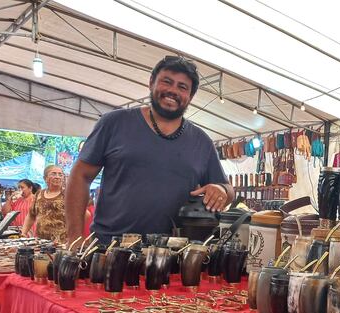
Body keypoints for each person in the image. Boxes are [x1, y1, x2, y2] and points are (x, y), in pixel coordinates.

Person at [66, 55, 234, 244]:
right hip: (111, 250)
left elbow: (228, 191)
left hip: (173, 255)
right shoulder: (114, 123)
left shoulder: (201, 142)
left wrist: (220, 190)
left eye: (182, 87)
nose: (173, 90)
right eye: (167, 82)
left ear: (191, 96)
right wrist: (75, 236)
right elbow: (81, 175)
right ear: (151, 82)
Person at [22, 165, 67, 243]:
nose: (57, 177)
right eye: (53, 174)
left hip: (62, 242)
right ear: (45, 178)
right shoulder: (39, 194)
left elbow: (84, 215)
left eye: (60, 174)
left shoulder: (68, 194)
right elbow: (31, 215)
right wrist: (23, 232)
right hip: (41, 241)